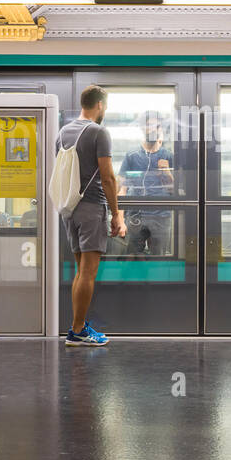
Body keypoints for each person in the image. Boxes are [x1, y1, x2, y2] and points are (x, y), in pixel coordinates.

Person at [58, 85, 127, 346]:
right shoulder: (98, 132)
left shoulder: (64, 132)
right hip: (91, 208)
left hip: (70, 208)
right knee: (88, 272)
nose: (104, 111)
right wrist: (116, 215)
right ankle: (77, 330)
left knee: (80, 271)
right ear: (99, 105)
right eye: (105, 107)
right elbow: (108, 178)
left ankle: (77, 327)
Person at [118, 111, 175, 256]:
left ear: (161, 129)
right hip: (136, 215)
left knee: (159, 259)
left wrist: (167, 173)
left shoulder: (168, 156)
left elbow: (176, 192)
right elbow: (121, 189)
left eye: (157, 126)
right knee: (132, 257)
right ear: (142, 128)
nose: (153, 129)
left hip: (161, 216)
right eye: (149, 125)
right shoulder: (132, 156)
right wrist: (119, 219)